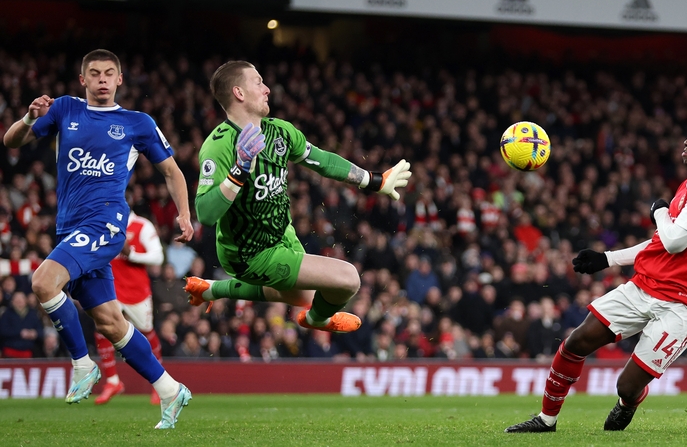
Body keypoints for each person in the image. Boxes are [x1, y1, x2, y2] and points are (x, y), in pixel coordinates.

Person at [505, 110, 687, 433]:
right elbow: (662, 244)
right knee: (578, 340)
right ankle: (546, 420)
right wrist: (608, 258)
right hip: (646, 286)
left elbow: (671, 241)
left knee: (626, 386)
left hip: (685, 304)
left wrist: (659, 211)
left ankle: (628, 402)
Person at [2, 49, 193, 429]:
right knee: (109, 322)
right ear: (83, 80)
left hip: (105, 223)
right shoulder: (64, 110)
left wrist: (184, 215)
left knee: (42, 281)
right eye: (95, 73)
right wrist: (28, 117)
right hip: (70, 227)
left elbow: (171, 171)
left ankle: (82, 364)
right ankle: (171, 390)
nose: (102, 79)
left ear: (120, 80)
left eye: (109, 73)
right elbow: (11, 141)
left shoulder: (137, 122)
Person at [183, 60, 411, 334]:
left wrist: (374, 180)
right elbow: (205, 214)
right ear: (239, 93)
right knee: (348, 279)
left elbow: (323, 161)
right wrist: (238, 173)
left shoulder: (279, 130)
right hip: (249, 254)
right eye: (258, 82)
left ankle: (211, 289)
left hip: (282, 235)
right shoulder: (218, 145)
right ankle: (318, 320)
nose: (267, 89)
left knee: (305, 298)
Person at [94, 191, 165, 406]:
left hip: (136, 292)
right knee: (102, 330)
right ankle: (113, 381)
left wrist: (131, 254)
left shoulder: (142, 226)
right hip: (111, 289)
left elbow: (158, 257)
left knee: (146, 333)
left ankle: (160, 385)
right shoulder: (105, 225)